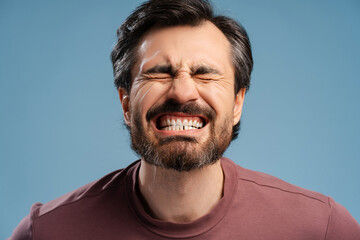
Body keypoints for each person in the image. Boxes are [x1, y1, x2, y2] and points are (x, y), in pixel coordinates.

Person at [9, 0, 360, 239]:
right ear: (126, 103)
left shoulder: (322, 228)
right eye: (159, 72)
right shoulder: (46, 232)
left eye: (205, 74)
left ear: (238, 102)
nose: (182, 91)